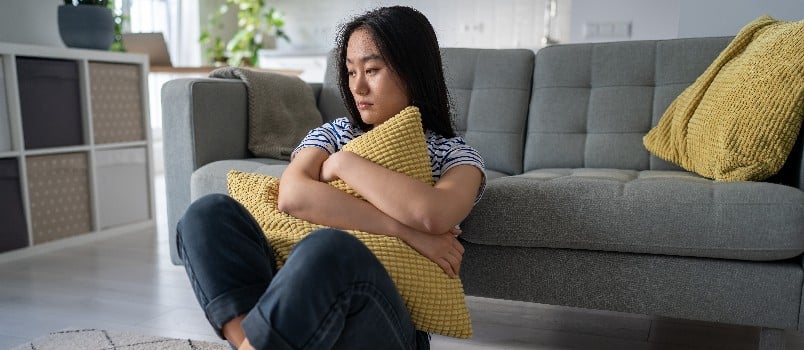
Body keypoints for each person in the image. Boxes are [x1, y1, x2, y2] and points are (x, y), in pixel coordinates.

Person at [176, 6, 485, 350]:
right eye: (351, 72)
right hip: (297, 314)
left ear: (413, 70)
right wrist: (404, 231)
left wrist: (344, 164)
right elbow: (293, 195)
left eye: (372, 69)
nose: (358, 86)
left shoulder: (453, 154)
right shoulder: (334, 132)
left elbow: (434, 213)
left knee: (329, 249)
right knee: (206, 214)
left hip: (381, 323)